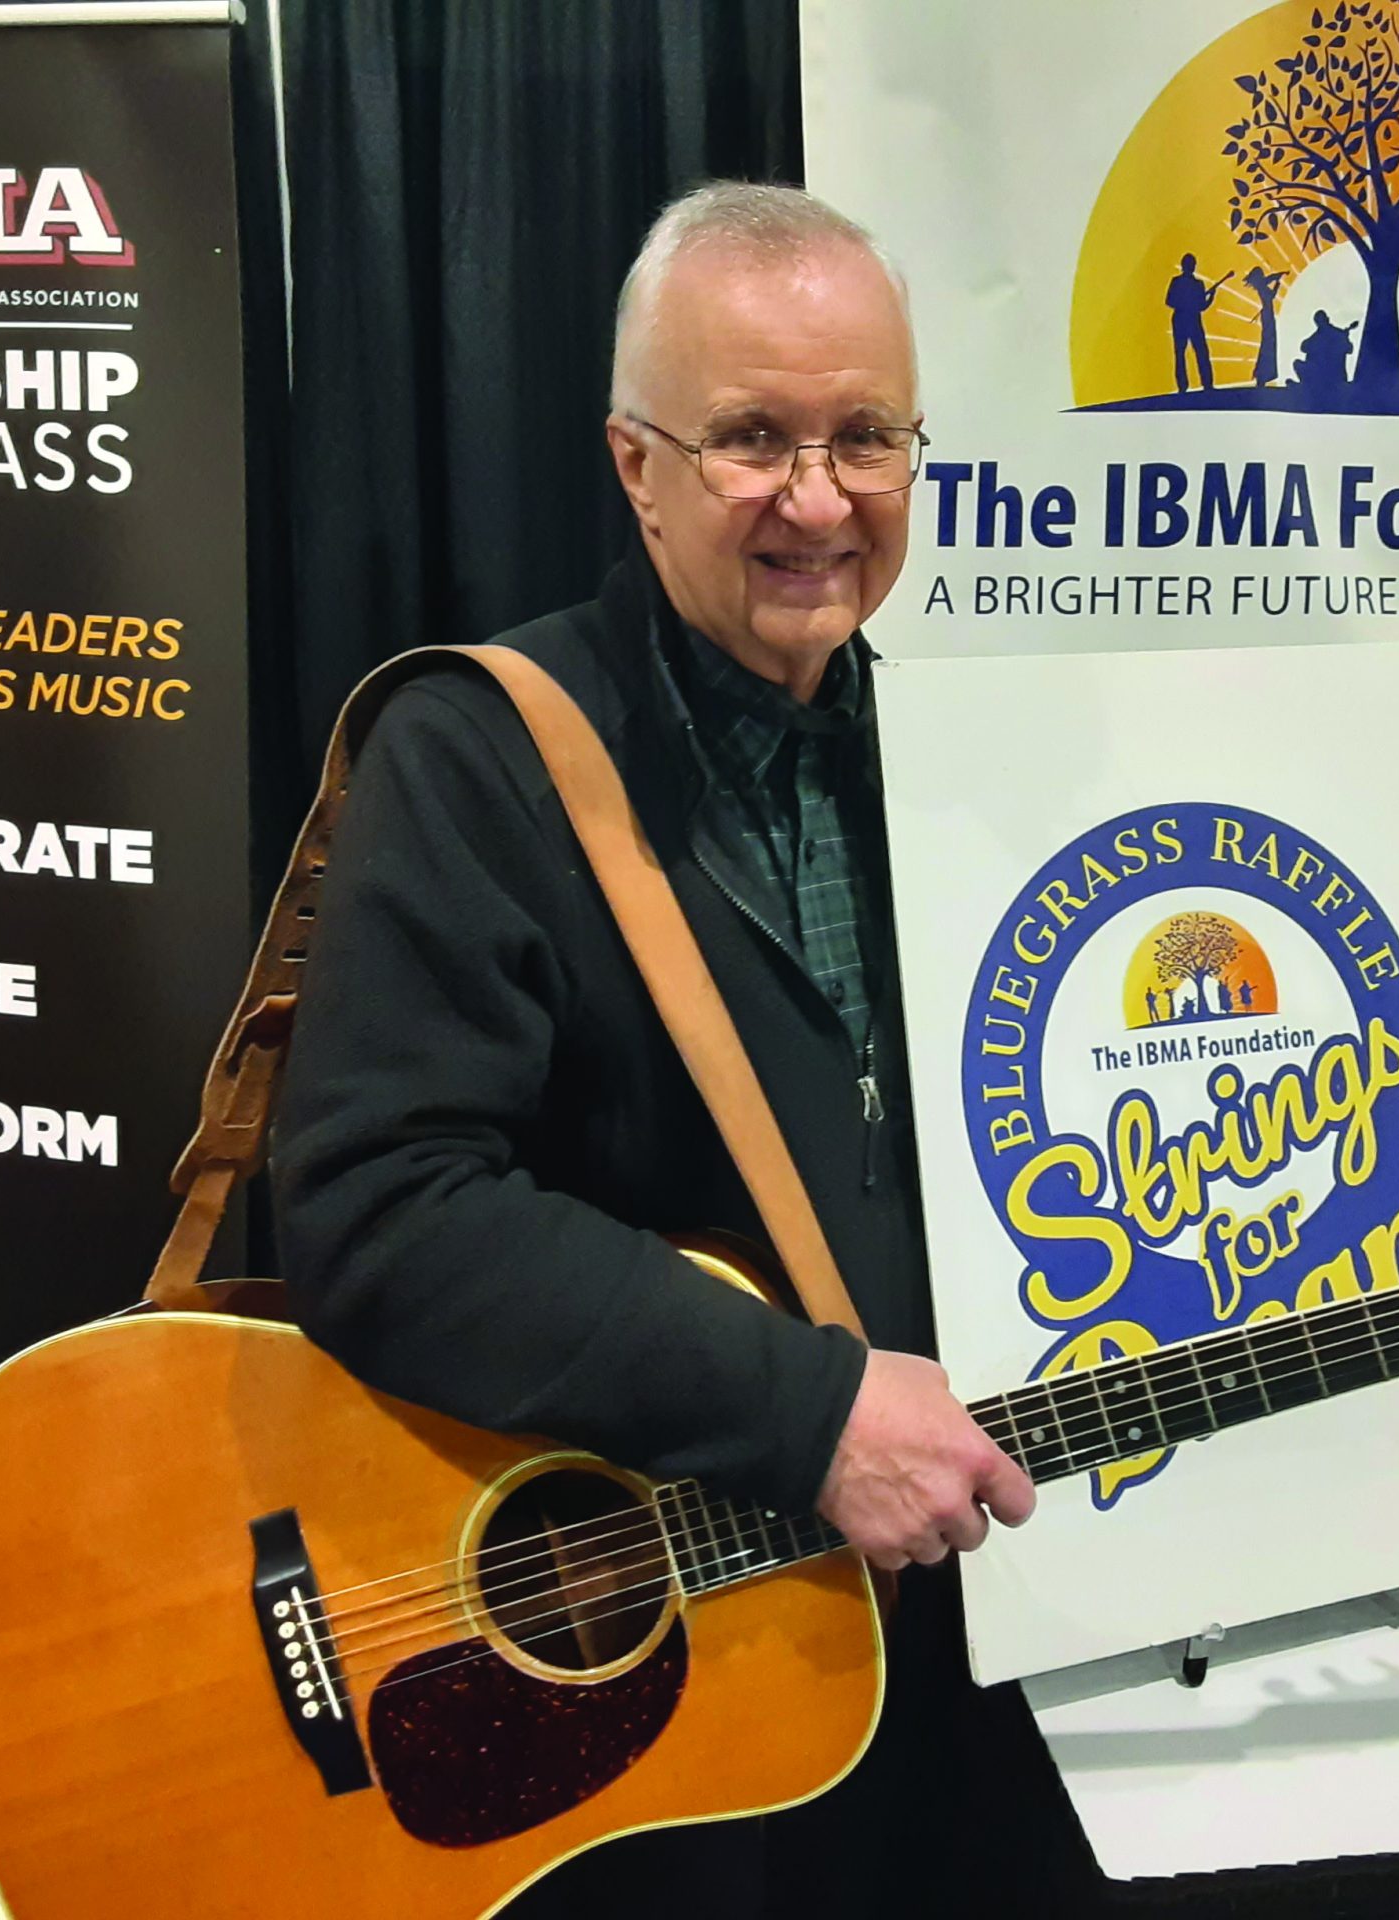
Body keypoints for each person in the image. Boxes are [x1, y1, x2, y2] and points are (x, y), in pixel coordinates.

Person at [271, 183, 1064, 1916]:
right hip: (632, 1686)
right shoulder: (480, 756)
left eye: (867, 436)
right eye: (751, 439)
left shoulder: (963, 768)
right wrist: (812, 1407)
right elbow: (375, 1205)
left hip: (924, 1654)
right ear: (635, 466)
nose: (818, 498)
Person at [1164, 251, 1231, 394]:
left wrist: (1211, 297)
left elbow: (1202, 306)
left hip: (1193, 319)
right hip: (1182, 319)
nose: (1191, 267)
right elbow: (1169, 301)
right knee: (1180, 353)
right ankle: (1182, 386)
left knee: (1201, 351)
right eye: (1190, 264)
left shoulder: (1198, 284)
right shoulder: (1177, 281)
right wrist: (1185, 303)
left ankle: (1207, 384)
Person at [1240, 263, 1285, 387]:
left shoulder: (1262, 285)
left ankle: (1262, 374)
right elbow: (1271, 295)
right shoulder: (1262, 286)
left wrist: (1277, 279)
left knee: (1268, 344)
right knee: (1268, 344)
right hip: (1267, 315)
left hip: (1267, 314)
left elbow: (1270, 283)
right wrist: (1277, 281)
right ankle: (1262, 374)